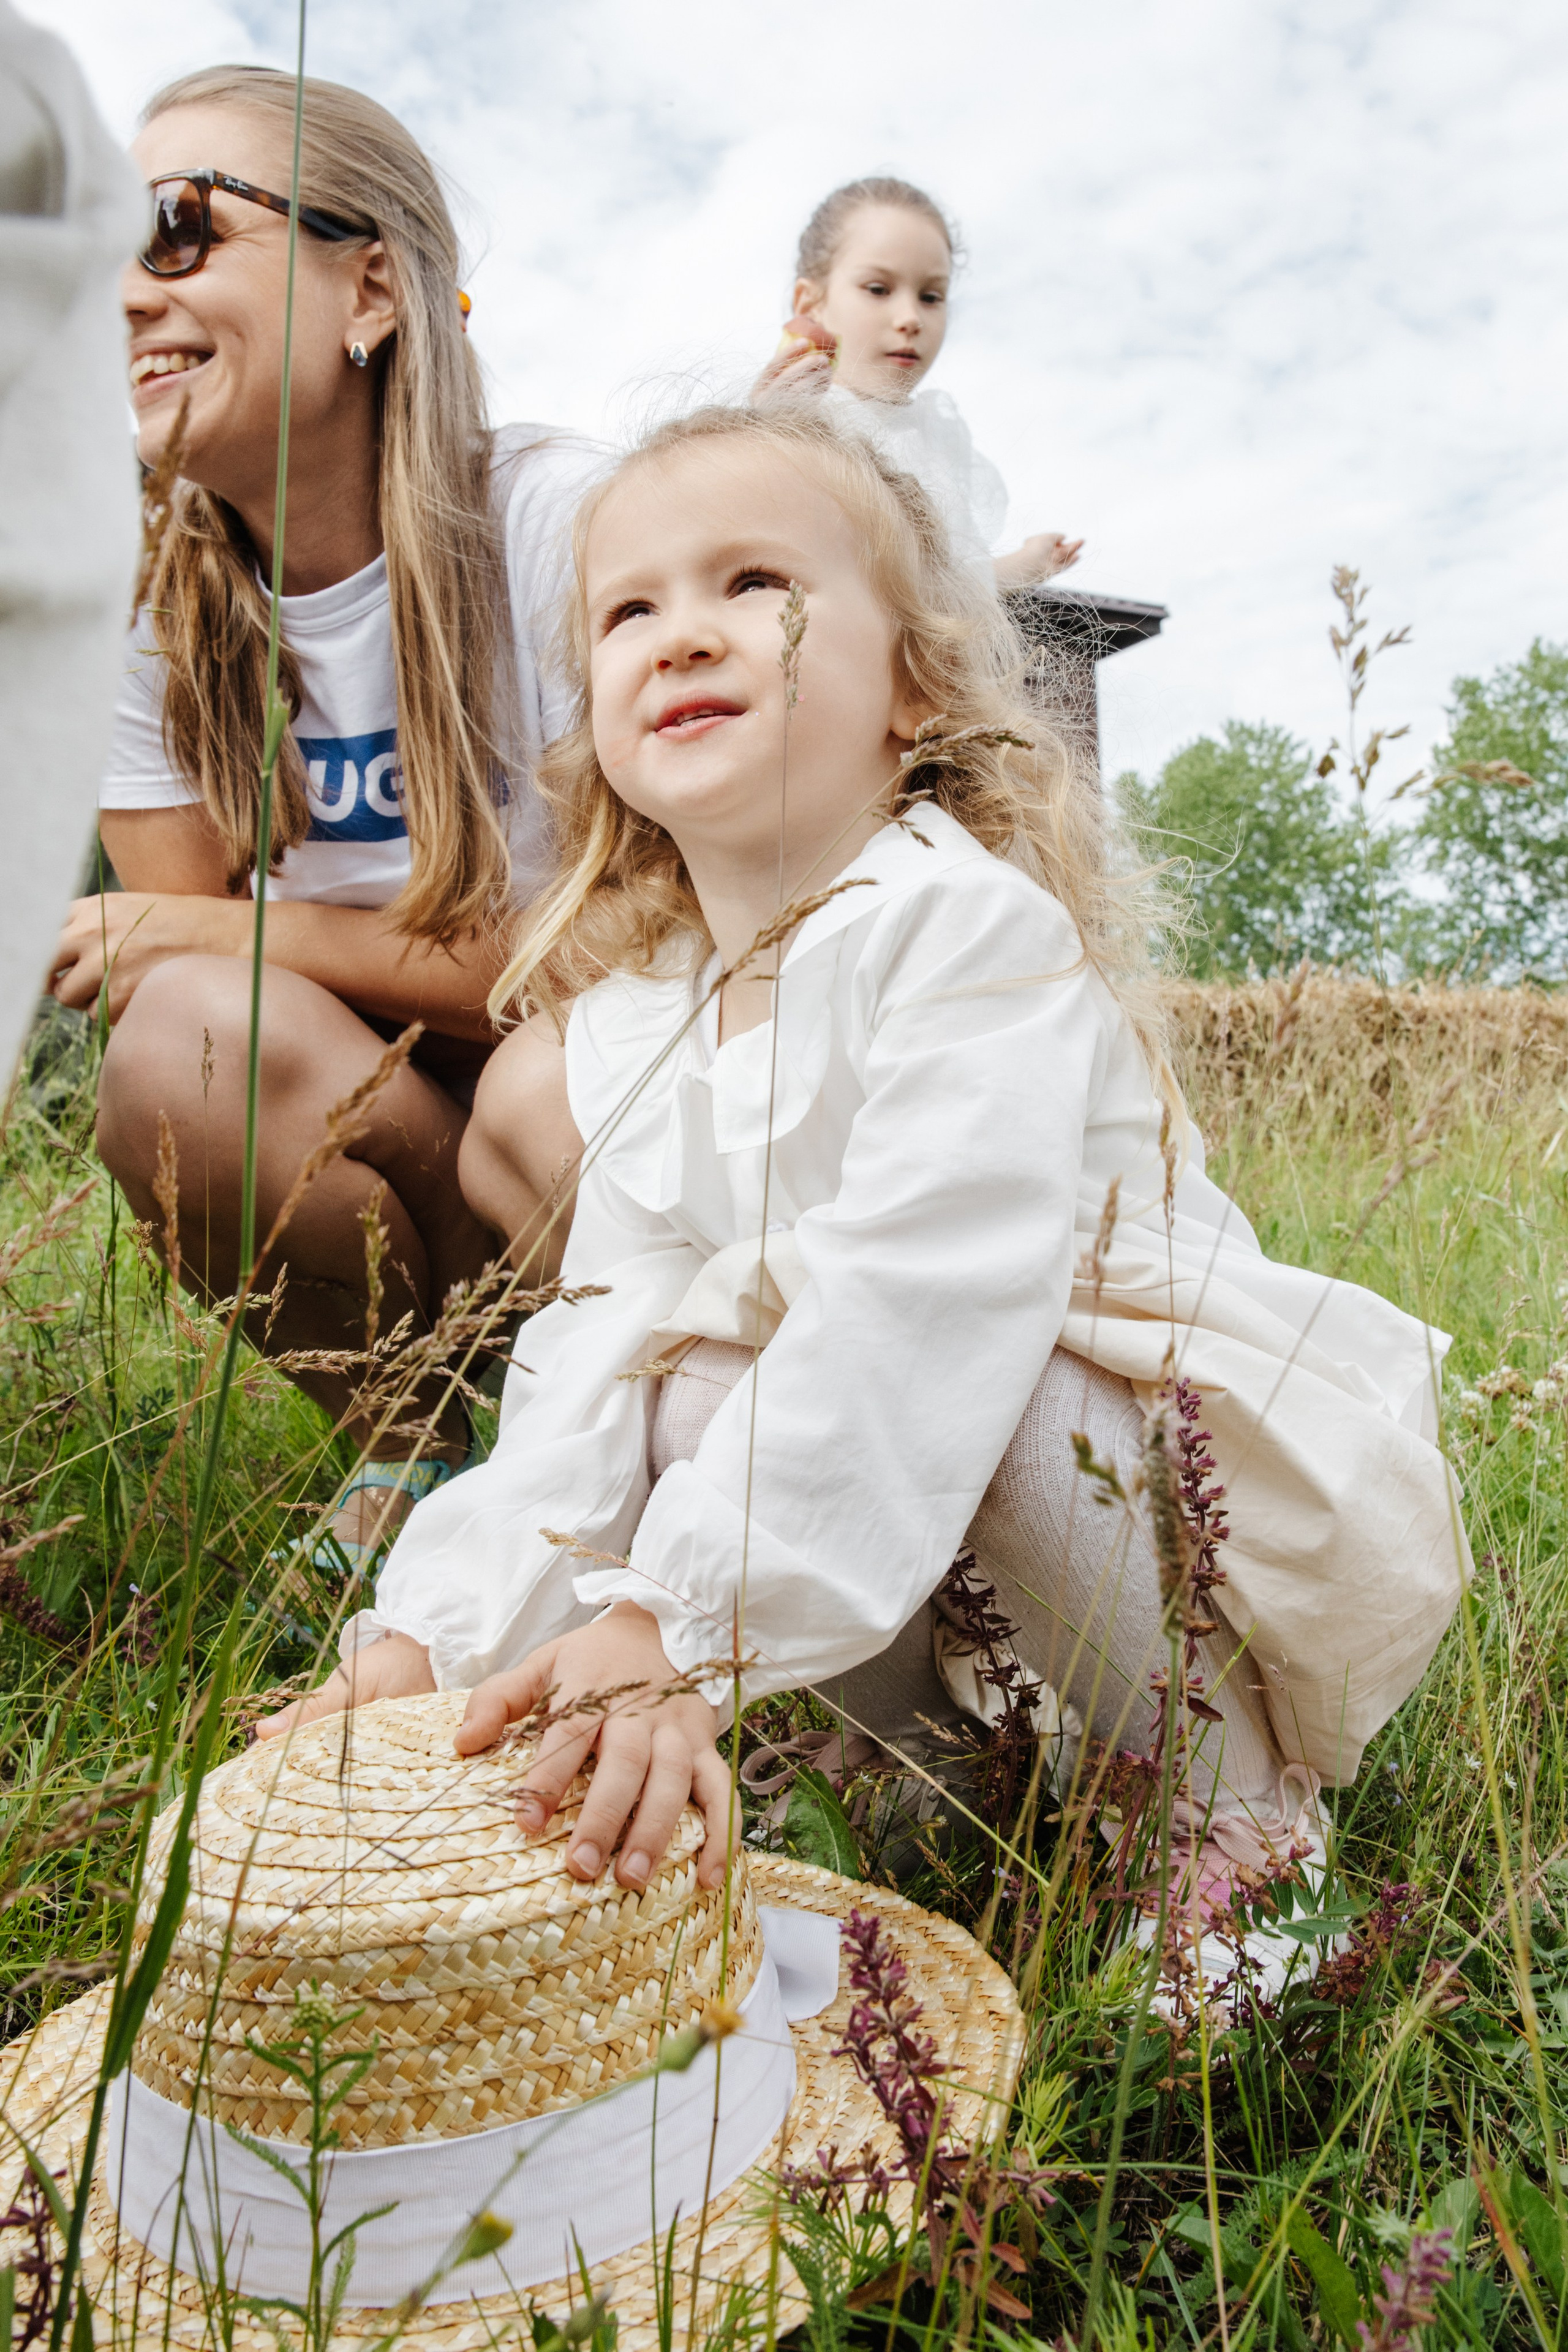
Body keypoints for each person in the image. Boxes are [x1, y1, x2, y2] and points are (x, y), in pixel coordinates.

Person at [262, 403, 1467, 1999]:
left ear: (913, 687)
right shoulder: (640, 1018)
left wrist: (682, 1624)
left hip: (1135, 1472)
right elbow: (579, 1377)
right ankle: (944, 1797)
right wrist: (435, 1635)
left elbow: (920, 1307)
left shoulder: (973, 937)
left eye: (753, 581)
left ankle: (1224, 1833)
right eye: (629, 609)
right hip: (877, 1514)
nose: (682, 631)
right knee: (671, 1384)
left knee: (1024, 1398)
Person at [45, 66, 592, 1564]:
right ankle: (407, 1448)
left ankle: (616, 1434)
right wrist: (211, 936)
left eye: (176, 230)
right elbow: (175, 984)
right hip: (404, 1142)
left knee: (551, 1065)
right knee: (176, 1045)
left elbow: (618, 966)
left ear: (371, 288)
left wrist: (232, 920)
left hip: (604, 1142)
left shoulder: (557, 527)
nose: (124, 298)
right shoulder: (151, 618)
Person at [756, 175, 1082, 592]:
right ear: (810, 304)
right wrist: (763, 436)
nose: (911, 317)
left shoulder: (937, 438)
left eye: (931, 297)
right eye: (878, 289)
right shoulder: (792, 421)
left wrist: (1024, 567)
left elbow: (932, 593)